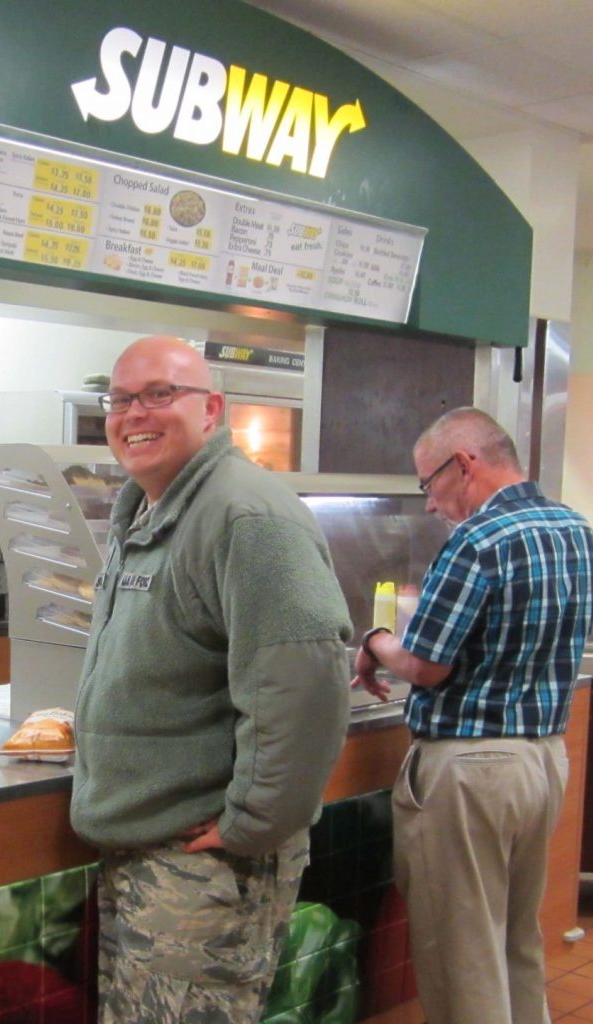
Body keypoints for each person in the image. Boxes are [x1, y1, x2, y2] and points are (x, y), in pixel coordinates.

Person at [70, 336, 353, 1023]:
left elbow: (308, 678)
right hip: (147, 857)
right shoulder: (148, 509)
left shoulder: (246, 516)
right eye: (122, 398)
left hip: (201, 866)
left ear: (213, 409)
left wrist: (253, 822)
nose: (136, 412)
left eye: (161, 394)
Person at [352, 407, 593, 1024]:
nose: (430, 504)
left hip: (472, 771)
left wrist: (375, 640)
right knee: (517, 941)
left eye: (428, 484)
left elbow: (425, 665)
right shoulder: (575, 528)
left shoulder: (477, 541)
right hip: (543, 761)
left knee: (464, 956)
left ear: (463, 464)